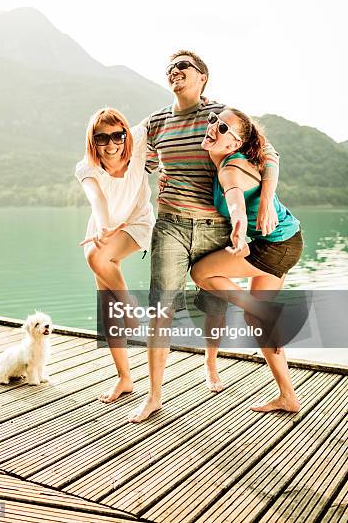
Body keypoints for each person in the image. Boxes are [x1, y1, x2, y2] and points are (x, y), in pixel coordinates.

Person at [128, 50, 280, 423]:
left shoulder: (222, 118)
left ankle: (211, 366)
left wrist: (265, 205)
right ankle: (154, 397)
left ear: (202, 77)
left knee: (213, 304)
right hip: (172, 225)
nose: (174, 71)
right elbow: (140, 168)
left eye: (183, 66)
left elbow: (269, 154)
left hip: (216, 225)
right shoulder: (156, 122)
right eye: (170, 67)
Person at [190, 107, 304, 412]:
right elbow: (271, 153)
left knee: (201, 273)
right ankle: (288, 396)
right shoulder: (239, 157)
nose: (214, 127)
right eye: (215, 121)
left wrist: (239, 227)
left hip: (276, 245)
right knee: (257, 318)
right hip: (287, 240)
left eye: (224, 129)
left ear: (235, 144)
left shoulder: (231, 168)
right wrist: (265, 198)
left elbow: (235, 199)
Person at [75, 107, 155, 403]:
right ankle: (125, 378)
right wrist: (105, 225)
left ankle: (131, 310)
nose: (111, 145)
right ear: (93, 141)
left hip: (137, 224)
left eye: (117, 136)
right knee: (106, 306)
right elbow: (96, 199)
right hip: (104, 228)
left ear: (125, 134)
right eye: (102, 138)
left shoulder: (137, 140)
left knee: (95, 259)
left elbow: (163, 113)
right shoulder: (86, 168)